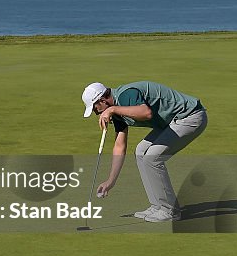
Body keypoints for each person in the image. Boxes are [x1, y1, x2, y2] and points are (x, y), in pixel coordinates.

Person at [81, 81, 208, 223]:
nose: (95, 112)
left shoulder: (126, 96)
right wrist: (111, 181)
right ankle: (157, 206)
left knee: (152, 158)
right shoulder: (117, 111)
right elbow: (119, 146)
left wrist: (112, 110)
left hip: (190, 116)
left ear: (102, 100)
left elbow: (145, 113)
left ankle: (170, 210)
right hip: (171, 122)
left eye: (94, 108)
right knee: (141, 151)